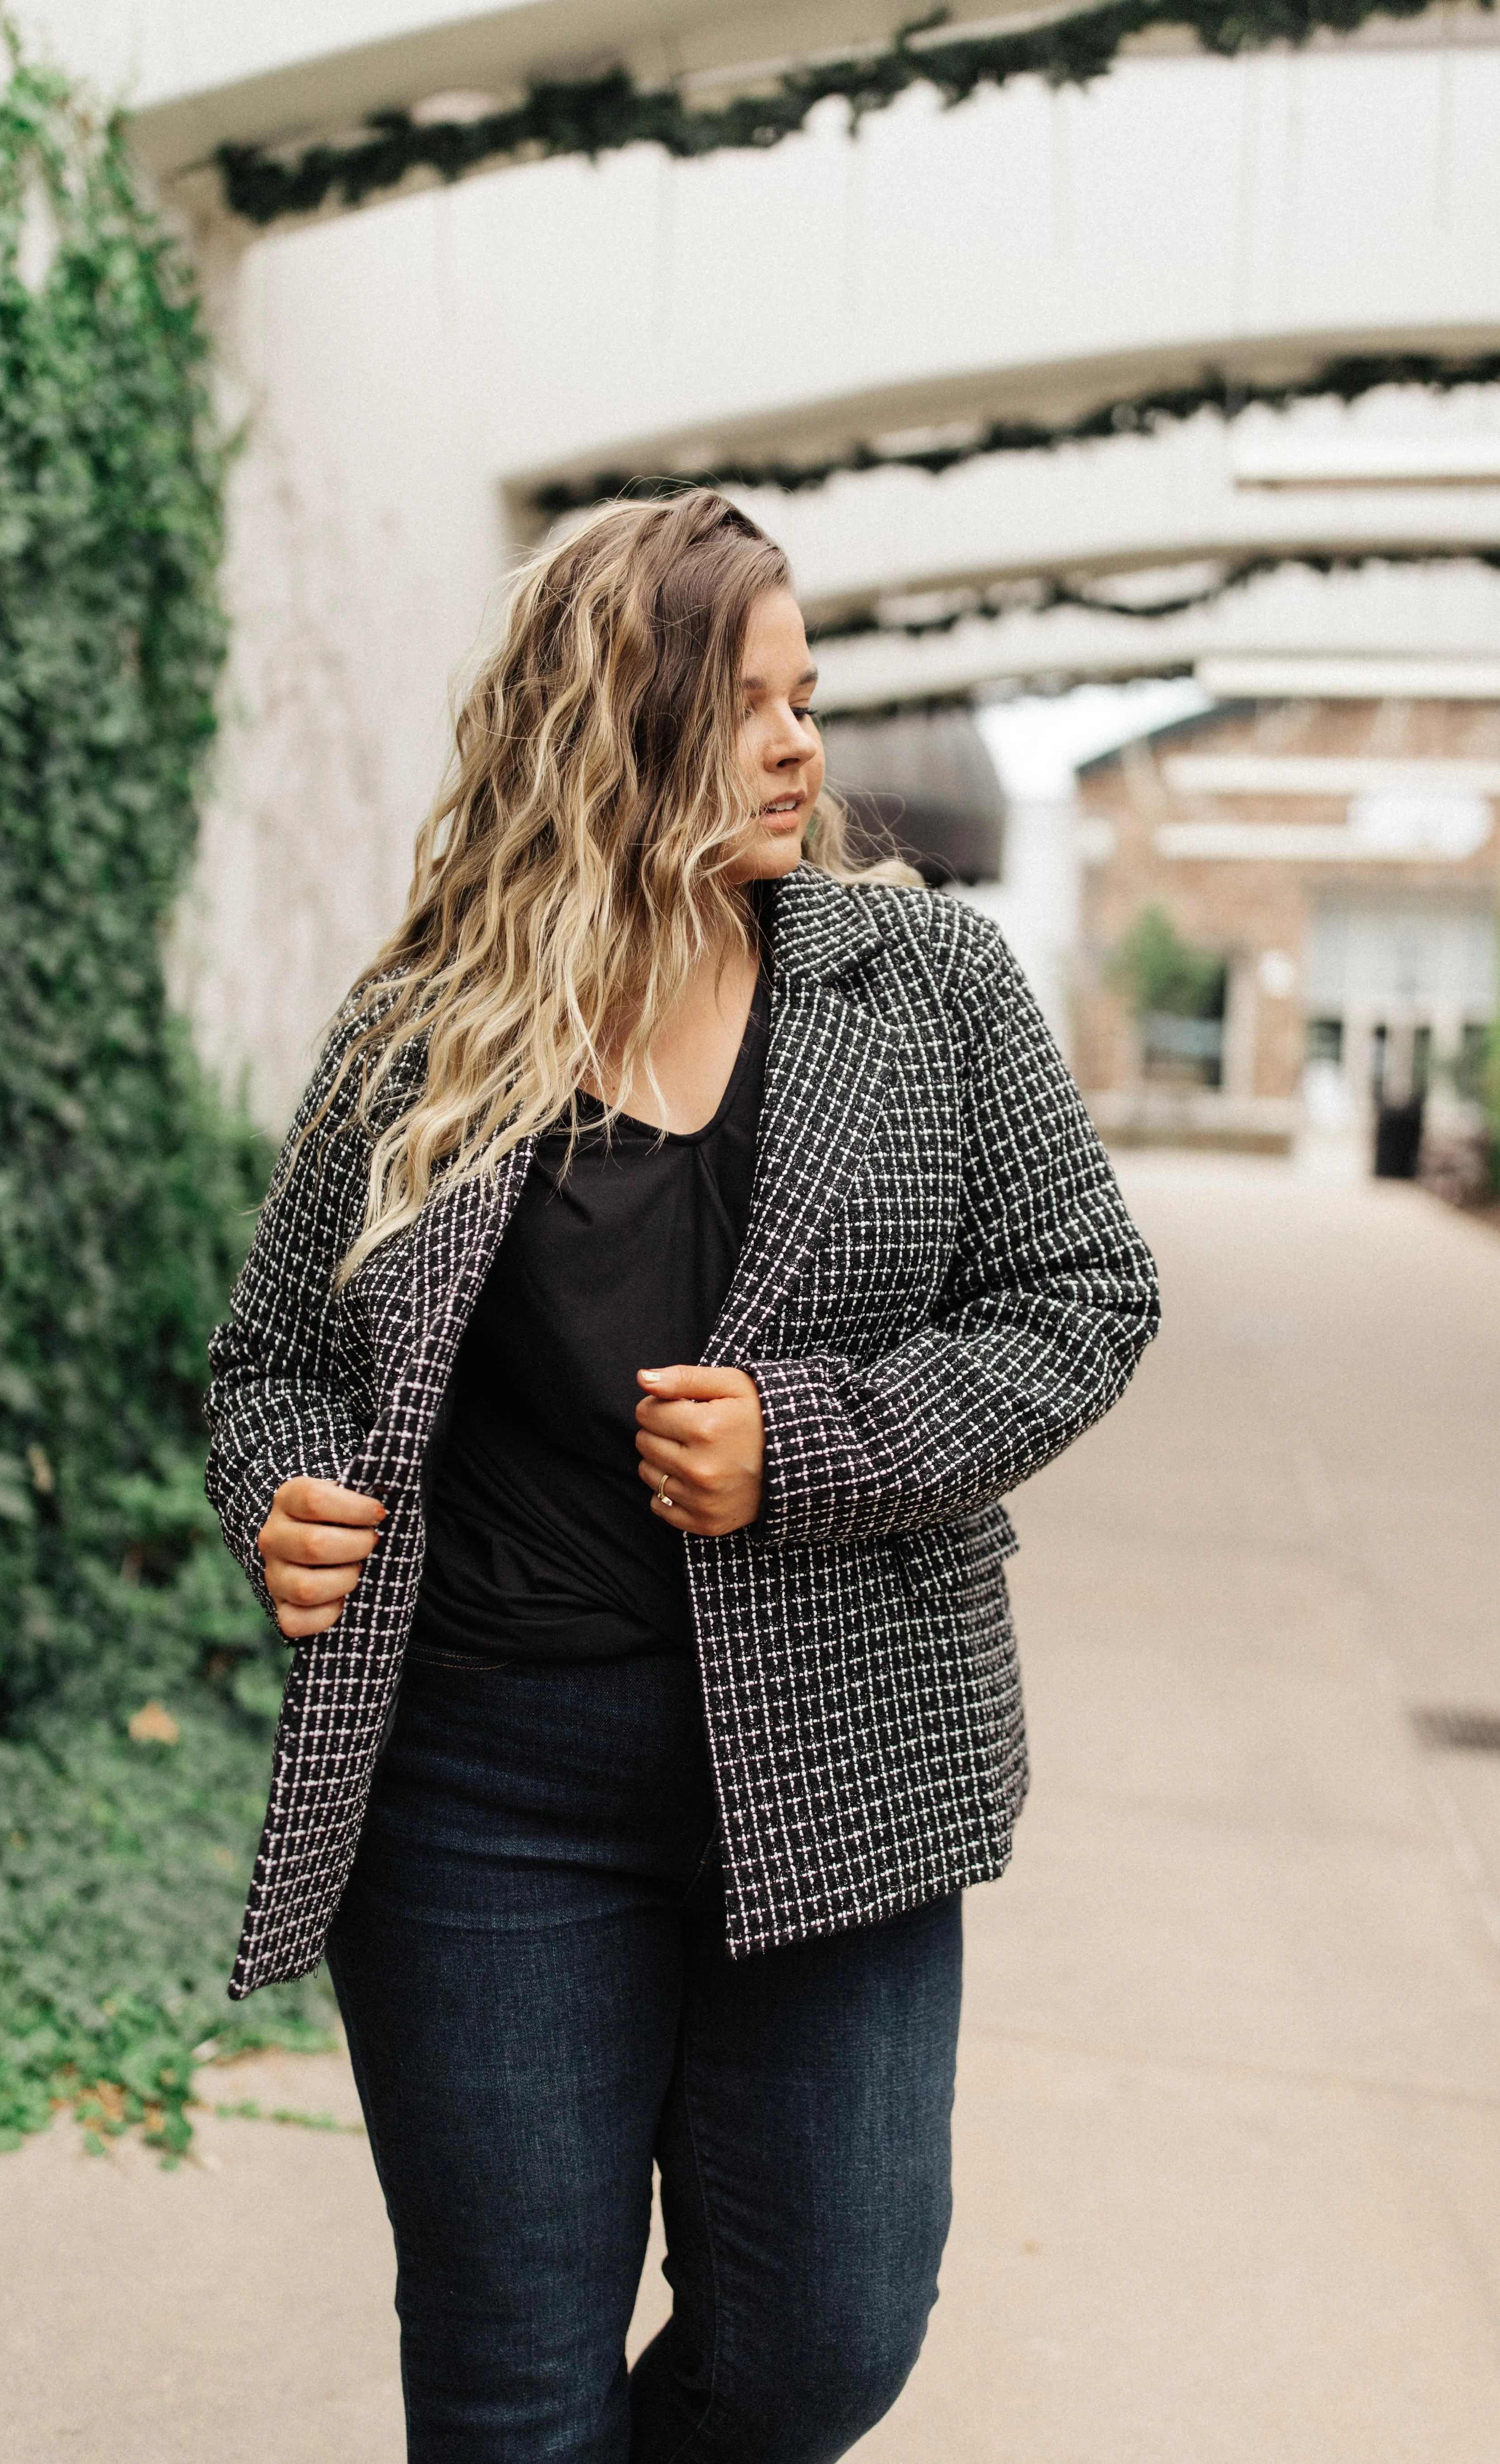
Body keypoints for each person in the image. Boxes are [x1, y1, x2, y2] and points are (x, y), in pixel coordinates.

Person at [205, 490, 1160, 2463]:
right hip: (476, 1790)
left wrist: (810, 1444)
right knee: (508, 2373)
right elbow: (279, 1357)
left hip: (838, 1770)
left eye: (808, 696)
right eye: (749, 704)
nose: (805, 745)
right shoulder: (429, 1030)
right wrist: (284, 1499)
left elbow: (1088, 1289)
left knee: (830, 2336)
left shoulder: (928, 994)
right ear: (610, 725)